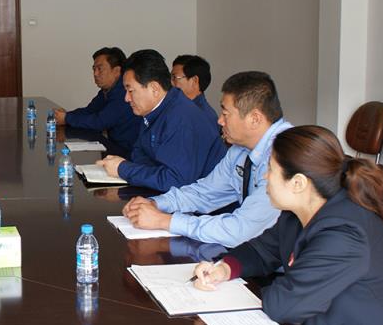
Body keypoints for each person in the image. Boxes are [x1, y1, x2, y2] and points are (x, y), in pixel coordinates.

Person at [192, 125, 383, 325]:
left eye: (271, 169)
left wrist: (240, 297)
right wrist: (223, 268)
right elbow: (261, 250)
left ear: (298, 183)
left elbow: (284, 305)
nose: (265, 177)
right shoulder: (298, 214)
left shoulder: (345, 233)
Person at [123, 71, 291, 247]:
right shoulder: (240, 149)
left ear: (254, 119)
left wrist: (164, 221)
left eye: (226, 114)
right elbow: (205, 192)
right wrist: (155, 203)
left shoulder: (285, 157)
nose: (220, 121)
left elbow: (240, 230)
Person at [96, 49, 226, 192]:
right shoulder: (154, 110)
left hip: (201, 201)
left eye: (130, 90)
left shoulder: (181, 118)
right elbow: (139, 154)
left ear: (154, 88)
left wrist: (123, 169)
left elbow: (176, 181)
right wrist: (141, 171)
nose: (126, 98)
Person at [52, 47, 140, 157]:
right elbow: (89, 111)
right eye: (94, 69)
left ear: (116, 71)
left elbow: (99, 122)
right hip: (115, 146)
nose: (95, 74)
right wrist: (65, 116)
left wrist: (66, 118)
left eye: (100, 69)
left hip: (129, 153)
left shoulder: (123, 93)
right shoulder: (107, 91)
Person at [171, 54, 218, 126]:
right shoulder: (183, 108)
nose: (171, 83)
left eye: (175, 77)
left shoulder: (202, 117)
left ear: (194, 80)